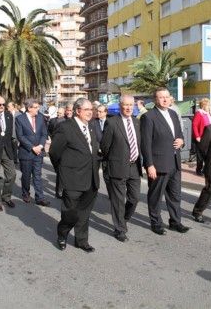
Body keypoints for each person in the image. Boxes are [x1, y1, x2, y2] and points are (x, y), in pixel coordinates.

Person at [50, 98, 100, 252]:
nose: (90, 112)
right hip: (72, 178)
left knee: (84, 213)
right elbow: (54, 152)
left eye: (91, 109)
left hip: (91, 178)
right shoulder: (65, 127)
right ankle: (62, 234)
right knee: (70, 213)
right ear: (78, 111)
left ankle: (81, 240)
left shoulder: (91, 127)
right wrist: (63, 170)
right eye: (87, 109)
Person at [140, 87, 189, 235]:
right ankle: (156, 223)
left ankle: (175, 222)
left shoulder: (173, 114)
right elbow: (145, 143)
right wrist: (149, 165)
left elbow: (179, 135)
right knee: (155, 196)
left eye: (167, 97)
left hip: (175, 162)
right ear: (155, 99)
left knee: (175, 196)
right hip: (158, 164)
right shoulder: (149, 117)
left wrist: (182, 141)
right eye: (161, 97)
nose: (165, 99)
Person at [100, 95, 142, 242]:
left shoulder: (137, 123)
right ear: (120, 106)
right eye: (126, 105)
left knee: (135, 198)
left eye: (131, 105)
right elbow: (105, 146)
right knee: (118, 200)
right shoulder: (111, 123)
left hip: (134, 166)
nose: (129, 107)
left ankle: (122, 219)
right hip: (117, 166)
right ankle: (120, 229)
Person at [16, 98, 50, 206]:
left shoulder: (41, 118)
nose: (38, 109)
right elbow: (20, 136)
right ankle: (25, 193)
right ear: (29, 108)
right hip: (26, 152)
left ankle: (40, 197)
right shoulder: (20, 119)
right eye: (35, 107)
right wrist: (32, 147)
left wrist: (40, 146)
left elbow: (44, 134)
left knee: (37, 175)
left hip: (38, 153)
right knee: (26, 175)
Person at [192, 98, 211, 175]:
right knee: (200, 156)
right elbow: (194, 125)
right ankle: (199, 170)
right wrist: (197, 136)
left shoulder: (207, 114)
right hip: (201, 138)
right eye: (208, 105)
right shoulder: (199, 113)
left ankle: (205, 169)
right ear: (204, 105)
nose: (209, 107)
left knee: (209, 155)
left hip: (208, 138)